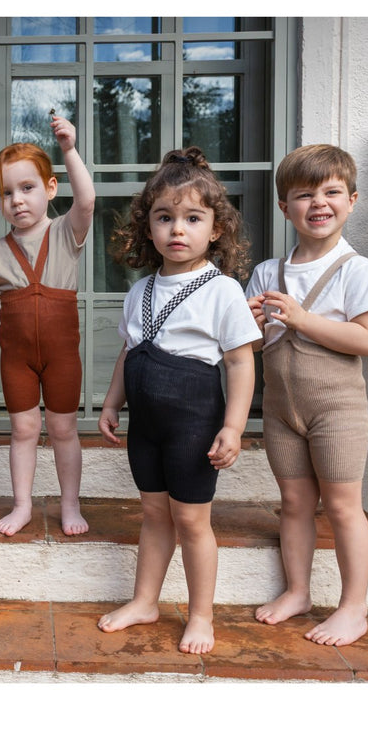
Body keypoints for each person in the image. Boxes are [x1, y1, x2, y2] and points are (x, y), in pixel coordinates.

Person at [98, 148, 259, 654]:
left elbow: (240, 363)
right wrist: (111, 402)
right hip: (146, 426)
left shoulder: (223, 291)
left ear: (216, 229)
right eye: (165, 217)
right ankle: (145, 601)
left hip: (194, 424)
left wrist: (233, 427)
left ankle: (201, 615)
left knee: (191, 520)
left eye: (192, 218)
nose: (177, 229)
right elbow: (130, 351)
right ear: (148, 228)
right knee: (153, 513)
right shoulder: (139, 291)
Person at [245, 143, 368, 647]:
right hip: (282, 411)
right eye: (305, 195)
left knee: (344, 506)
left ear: (352, 200)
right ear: (285, 207)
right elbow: (250, 345)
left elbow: (367, 340)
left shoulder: (356, 269)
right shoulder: (268, 272)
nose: (319, 203)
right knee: (293, 502)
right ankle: (298, 591)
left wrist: (302, 319)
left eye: (331, 192)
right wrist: (249, 324)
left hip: (337, 410)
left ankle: (354, 608)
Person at [0, 115, 95, 536]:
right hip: (16, 360)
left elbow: (87, 201)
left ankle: (70, 505)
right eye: (6, 192)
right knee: (23, 430)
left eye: (27, 188)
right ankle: (22, 505)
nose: (17, 200)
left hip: (61, 359)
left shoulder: (65, 234)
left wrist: (69, 149)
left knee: (62, 429)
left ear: (50, 188)